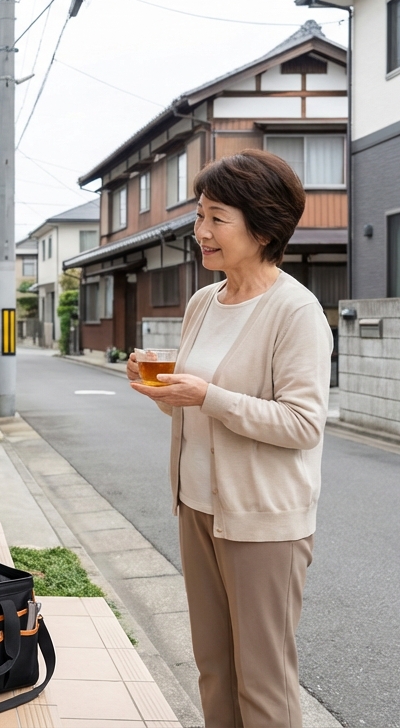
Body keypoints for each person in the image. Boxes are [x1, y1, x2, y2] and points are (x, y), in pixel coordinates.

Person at [127, 150, 331, 727]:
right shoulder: (202, 303)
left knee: (262, 684)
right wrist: (167, 393)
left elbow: (302, 424)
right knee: (214, 668)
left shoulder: (296, 312)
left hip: (262, 522)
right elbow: (197, 410)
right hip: (197, 508)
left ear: (263, 225)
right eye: (199, 216)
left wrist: (207, 396)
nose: (200, 232)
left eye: (217, 218)